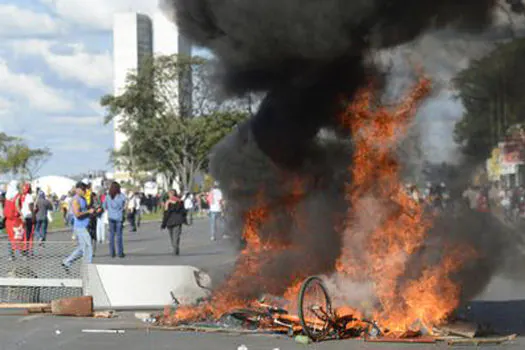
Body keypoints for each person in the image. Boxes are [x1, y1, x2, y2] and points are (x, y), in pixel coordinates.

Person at [62, 182, 94, 271]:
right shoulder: (75, 200)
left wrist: (91, 212)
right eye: (83, 189)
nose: (85, 191)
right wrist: (88, 212)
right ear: (78, 189)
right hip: (80, 227)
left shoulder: (82, 198)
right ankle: (88, 268)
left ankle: (67, 262)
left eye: (85, 189)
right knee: (88, 247)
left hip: (84, 225)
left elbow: (85, 210)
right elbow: (77, 214)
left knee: (81, 248)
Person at [104, 182, 126, 258]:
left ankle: (112, 253)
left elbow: (104, 206)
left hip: (110, 217)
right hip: (119, 217)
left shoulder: (107, 196)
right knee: (119, 236)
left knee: (111, 235)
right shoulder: (121, 196)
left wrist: (110, 209)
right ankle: (120, 253)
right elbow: (124, 204)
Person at [161, 190, 186, 255]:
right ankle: (175, 247)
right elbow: (183, 212)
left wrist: (163, 224)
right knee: (175, 236)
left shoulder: (169, 202)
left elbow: (166, 213)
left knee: (172, 236)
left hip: (170, 221)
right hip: (177, 221)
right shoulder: (180, 201)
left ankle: (175, 248)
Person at [19, 183, 35, 248]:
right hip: (28, 216)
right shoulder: (29, 196)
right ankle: (26, 249)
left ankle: (23, 248)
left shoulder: (21, 196)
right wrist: (34, 216)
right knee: (28, 234)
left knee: (22, 234)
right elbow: (30, 207)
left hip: (22, 216)